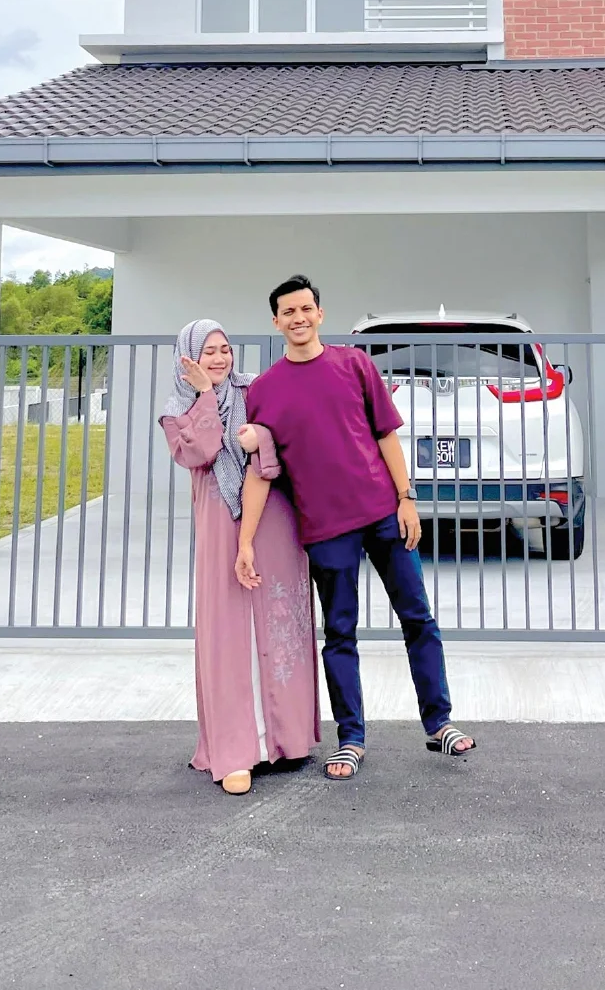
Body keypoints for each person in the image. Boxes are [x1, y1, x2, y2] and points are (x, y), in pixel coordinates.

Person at [238, 275, 475, 781]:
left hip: (383, 514)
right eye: (289, 312)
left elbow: (385, 434)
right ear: (275, 322)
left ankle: (440, 723)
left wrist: (407, 498)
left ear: (320, 313)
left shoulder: (354, 364)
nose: (299, 318)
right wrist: (244, 541)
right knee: (340, 633)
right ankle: (351, 740)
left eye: (307, 309)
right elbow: (260, 469)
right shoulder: (262, 391)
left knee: (419, 619)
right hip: (325, 529)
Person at [161, 318, 320, 795]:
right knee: (228, 625)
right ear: (187, 356)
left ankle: (284, 738)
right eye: (207, 350)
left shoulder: (256, 389)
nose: (218, 358)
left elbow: (284, 437)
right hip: (219, 519)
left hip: (271, 514)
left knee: (278, 615)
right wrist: (207, 397)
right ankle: (234, 749)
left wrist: (262, 439)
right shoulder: (177, 408)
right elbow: (202, 452)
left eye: (224, 349)